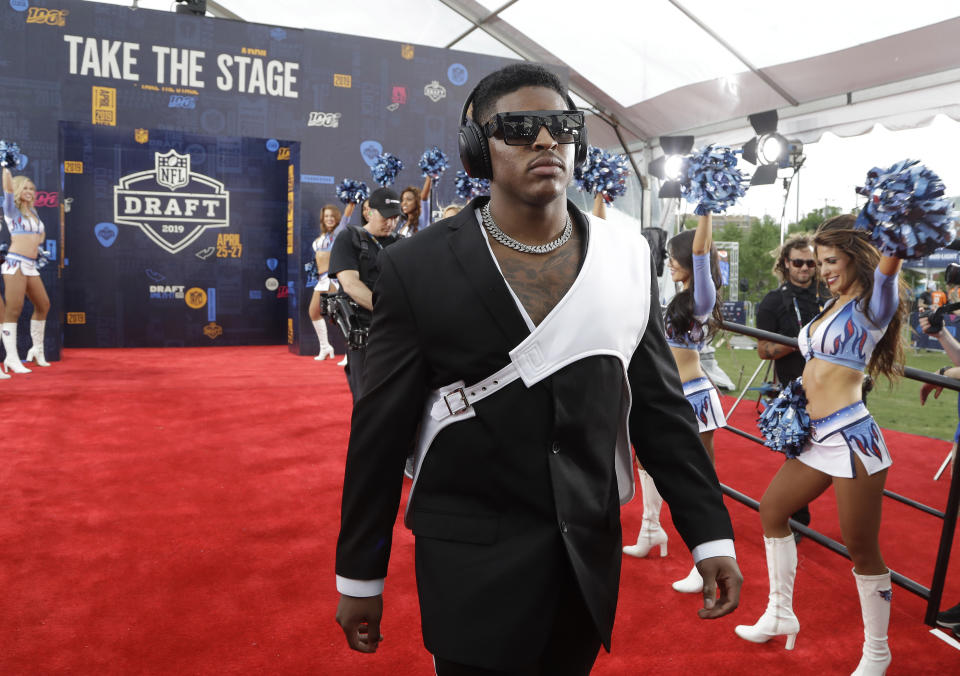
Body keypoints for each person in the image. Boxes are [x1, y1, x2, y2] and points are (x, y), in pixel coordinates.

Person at [334, 63, 741, 675]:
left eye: (561, 126)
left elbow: (659, 408)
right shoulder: (415, 268)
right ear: (478, 148)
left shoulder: (628, 259)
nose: (546, 141)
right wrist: (359, 572)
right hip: (470, 563)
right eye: (521, 128)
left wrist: (709, 533)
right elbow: (379, 429)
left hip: (583, 561)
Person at [736, 214, 906, 676]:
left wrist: (899, 226)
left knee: (861, 547)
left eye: (832, 260)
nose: (824, 268)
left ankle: (877, 652)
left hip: (853, 438)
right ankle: (779, 612)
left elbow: (889, 269)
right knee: (772, 510)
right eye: (818, 260)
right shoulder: (832, 304)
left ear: (856, 257)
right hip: (816, 437)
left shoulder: (874, 303)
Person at [623, 214, 728, 596]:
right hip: (667, 395)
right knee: (647, 461)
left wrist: (706, 207)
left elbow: (702, 250)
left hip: (695, 398)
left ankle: (706, 564)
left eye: (673, 255)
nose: (668, 261)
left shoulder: (702, 297)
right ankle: (652, 529)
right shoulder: (672, 296)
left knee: (698, 480)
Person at [755, 233, 830, 533]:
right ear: (786, 263)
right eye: (798, 263)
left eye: (811, 263)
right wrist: (803, 340)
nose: (805, 269)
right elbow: (763, 350)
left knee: (842, 456)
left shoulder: (828, 296)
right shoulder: (773, 301)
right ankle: (798, 522)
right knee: (798, 456)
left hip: (833, 389)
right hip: (794, 393)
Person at [327, 187, 401, 400]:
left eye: (395, 218)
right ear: (369, 212)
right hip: (364, 332)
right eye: (386, 216)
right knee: (366, 399)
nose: (391, 223)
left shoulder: (401, 243)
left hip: (397, 333)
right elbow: (350, 284)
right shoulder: (349, 238)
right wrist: (389, 310)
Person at [2, 166, 50, 374]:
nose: (29, 191)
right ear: (18, 190)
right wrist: (5, 170)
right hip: (15, 263)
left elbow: (40, 236)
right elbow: (8, 192)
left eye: (32, 188)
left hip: (31, 265)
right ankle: (11, 358)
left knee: (43, 305)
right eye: (25, 188)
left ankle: (37, 349)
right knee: (13, 309)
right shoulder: (11, 210)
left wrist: (37, 247)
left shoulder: (34, 212)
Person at [307, 202, 355, 360]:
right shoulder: (321, 237)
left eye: (332, 216)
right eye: (326, 216)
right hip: (321, 280)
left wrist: (351, 202)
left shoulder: (339, 232)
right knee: (313, 312)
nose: (329, 218)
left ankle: (350, 353)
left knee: (341, 316)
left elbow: (347, 217)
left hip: (333, 279)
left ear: (337, 218)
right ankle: (325, 347)